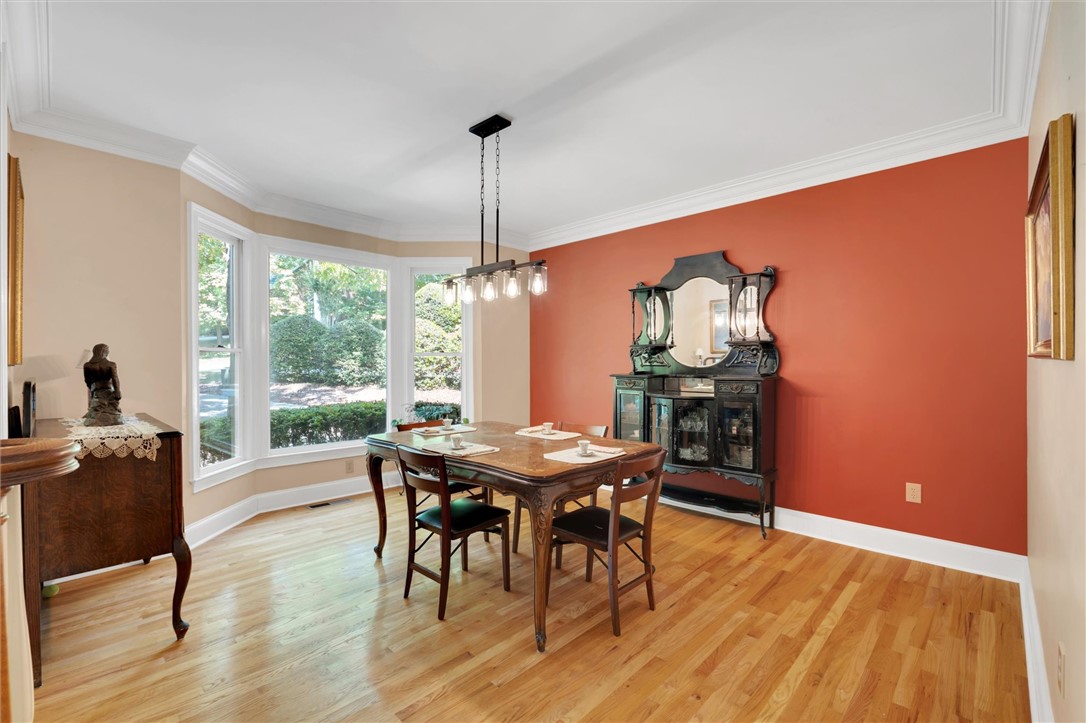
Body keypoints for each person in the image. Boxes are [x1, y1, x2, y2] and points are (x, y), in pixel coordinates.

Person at [83, 343, 123, 426]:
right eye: (108, 351)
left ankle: (96, 419)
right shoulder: (111, 364)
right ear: (104, 352)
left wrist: (92, 389)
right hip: (108, 388)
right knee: (112, 408)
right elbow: (115, 379)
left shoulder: (87, 365)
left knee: (96, 407)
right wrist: (117, 391)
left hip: (96, 389)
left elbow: (87, 381)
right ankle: (112, 419)